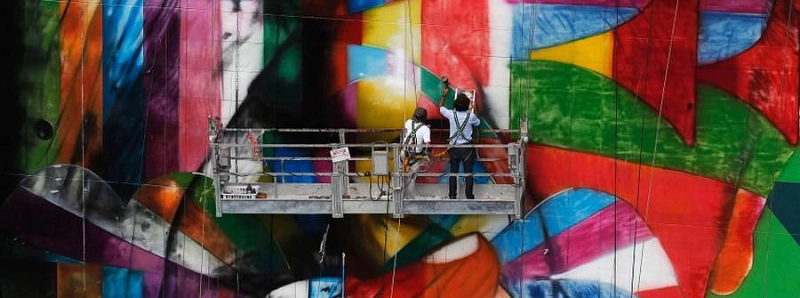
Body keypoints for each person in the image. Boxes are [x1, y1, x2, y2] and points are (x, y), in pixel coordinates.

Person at [439, 86, 481, 199]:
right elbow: (478, 123)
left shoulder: (451, 114)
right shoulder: (471, 116)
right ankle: (469, 195)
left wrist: (444, 95)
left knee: (453, 173)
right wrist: (475, 109)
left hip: (454, 149)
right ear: (468, 105)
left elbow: (441, 108)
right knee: (468, 173)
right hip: (467, 149)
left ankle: (452, 195)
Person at [401, 107, 431, 199]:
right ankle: (409, 197)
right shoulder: (425, 129)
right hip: (414, 157)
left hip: (403, 153)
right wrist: (426, 155)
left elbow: (408, 131)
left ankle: (400, 196)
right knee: (411, 177)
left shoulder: (408, 122)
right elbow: (427, 144)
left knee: (401, 174)